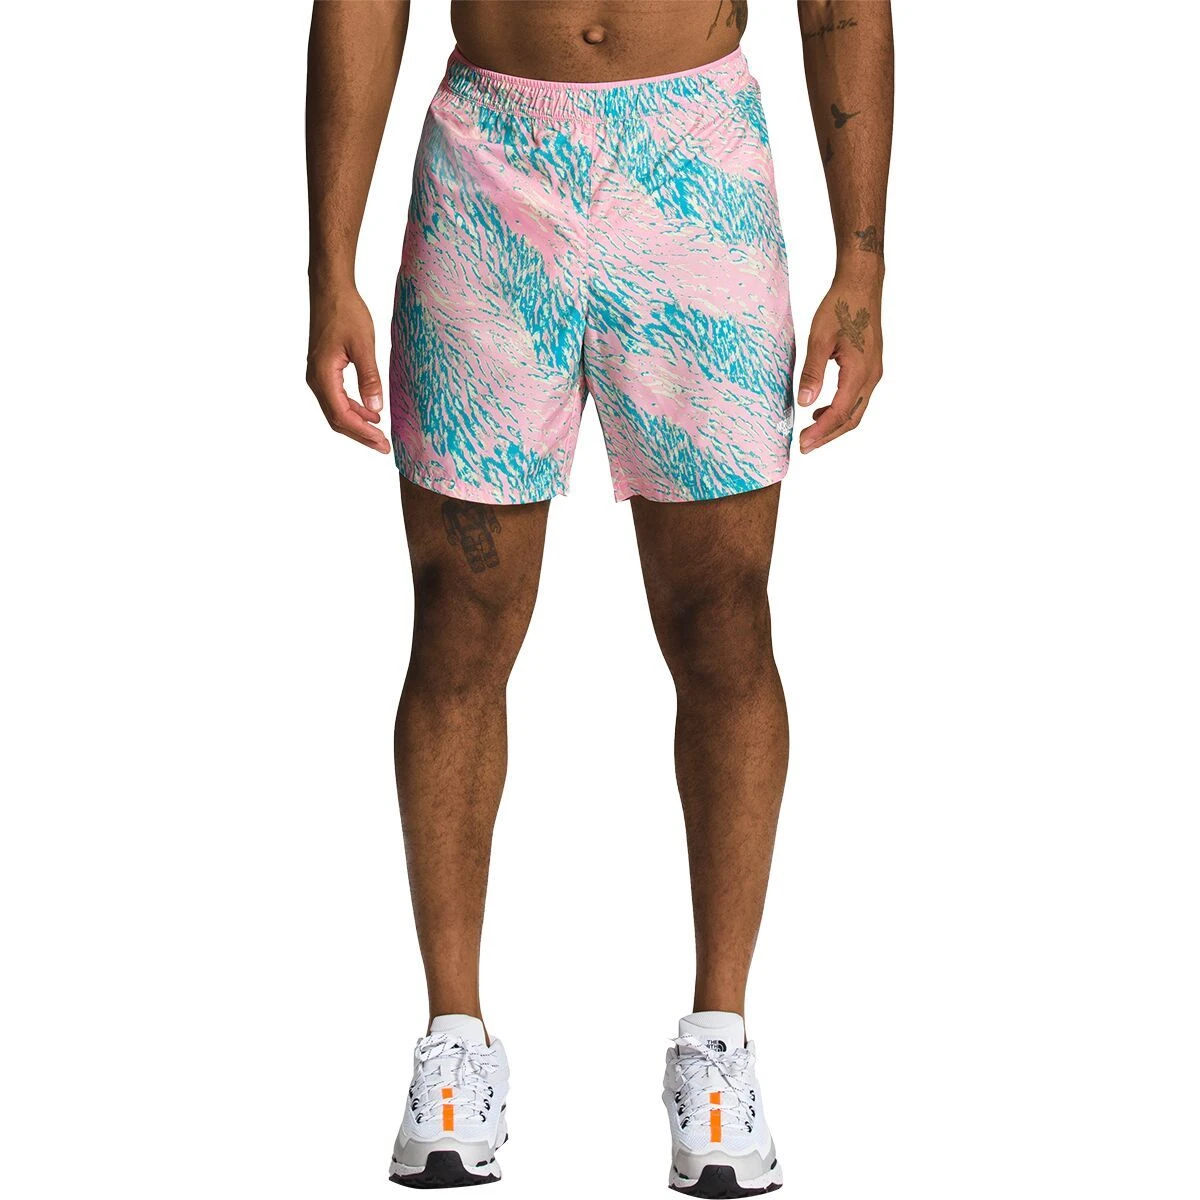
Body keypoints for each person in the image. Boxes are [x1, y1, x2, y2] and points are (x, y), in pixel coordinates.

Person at [305, 1, 892, 1192]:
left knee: (726, 619)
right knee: (457, 620)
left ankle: (718, 1041)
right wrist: (329, 265)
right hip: (489, 163)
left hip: (695, 161)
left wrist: (865, 258)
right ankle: (454, 1042)